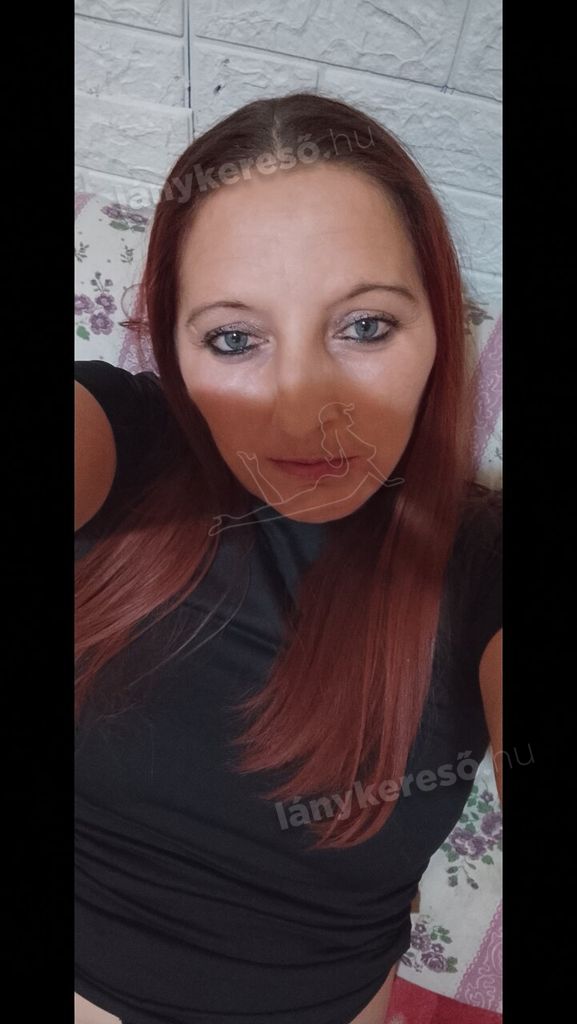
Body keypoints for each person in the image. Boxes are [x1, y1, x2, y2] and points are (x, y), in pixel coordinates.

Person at [74, 91, 502, 1024]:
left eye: (365, 326)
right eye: (233, 339)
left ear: (439, 330)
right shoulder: (119, 442)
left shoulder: (484, 562)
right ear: (173, 345)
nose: (302, 409)